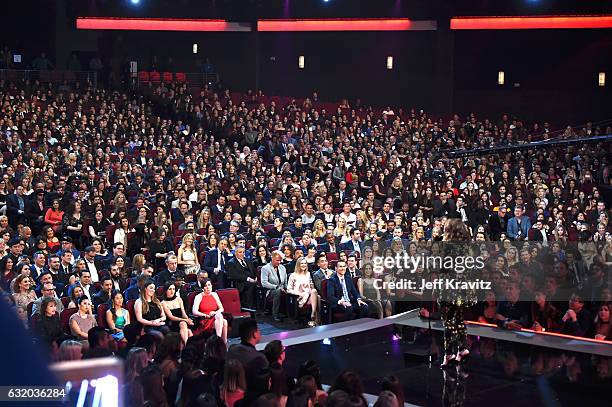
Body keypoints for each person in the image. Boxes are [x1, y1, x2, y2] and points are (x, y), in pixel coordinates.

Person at [437, 218, 477, 367]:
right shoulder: (468, 247)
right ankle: (463, 348)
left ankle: (449, 354)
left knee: (448, 321)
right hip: (463, 288)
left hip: (450, 289)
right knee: (459, 318)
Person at [227, 318, 269, 384]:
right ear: (254, 334)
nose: (260, 333)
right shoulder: (259, 357)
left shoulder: (231, 349)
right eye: (258, 330)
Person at [192, 278, 228, 342]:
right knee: (223, 321)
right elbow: (194, 311)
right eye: (206, 286)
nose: (208, 287)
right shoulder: (198, 296)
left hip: (215, 317)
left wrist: (215, 312)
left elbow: (221, 309)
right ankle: (220, 342)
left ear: (211, 286)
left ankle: (221, 341)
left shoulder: (214, 294)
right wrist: (205, 315)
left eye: (209, 285)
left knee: (221, 318)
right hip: (205, 319)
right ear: (203, 287)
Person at [287, 257, 319, 326]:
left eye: (305, 263)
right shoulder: (293, 275)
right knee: (317, 298)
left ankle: (313, 313)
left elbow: (311, 286)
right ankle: (316, 320)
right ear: (298, 264)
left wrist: (311, 289)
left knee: (315, 292)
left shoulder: (308, 274)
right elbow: (288, 289)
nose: (304, 265)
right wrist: (300, 293)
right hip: (298, 298)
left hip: (308, 296)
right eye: (302, 263)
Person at [260, 250, 288, 322]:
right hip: (270, 291)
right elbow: (264, 283)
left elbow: (285, 281)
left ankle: (290, 313)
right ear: (272, 258)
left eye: (280, 260)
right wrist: (276, 287)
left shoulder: (283, 268)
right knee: (277, 291)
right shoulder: (265, 268)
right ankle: (275, 314)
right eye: (277, 260)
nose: (279, 262)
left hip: (282, 289)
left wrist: (287, 288)